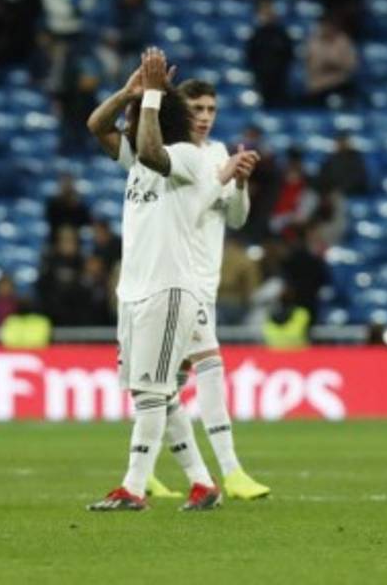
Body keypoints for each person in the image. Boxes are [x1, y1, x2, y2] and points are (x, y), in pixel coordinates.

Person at [84, 49, 254, 512]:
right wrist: (129, 92)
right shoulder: (138, 161)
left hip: (170, 289)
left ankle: (133, 488)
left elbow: (156, 151)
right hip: (134, 292)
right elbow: (96, 126)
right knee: (156, 390)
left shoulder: (188, 159)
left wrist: (155, 98)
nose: (138, 117)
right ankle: (203, 483)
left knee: (152, 392)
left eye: (144, 112)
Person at [150, 78, 270, 500]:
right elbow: (187, 208)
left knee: (164, 383)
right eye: (196, 109)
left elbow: (236, 218)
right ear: (180, 112)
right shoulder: (170, 157)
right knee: (210, 365)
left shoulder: (217, 153)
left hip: (206, 280)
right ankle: (231, 471)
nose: (203, 117)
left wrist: (238, 182)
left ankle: (141, 467)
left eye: (210, 110)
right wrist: (221, 176)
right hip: (177, 277)